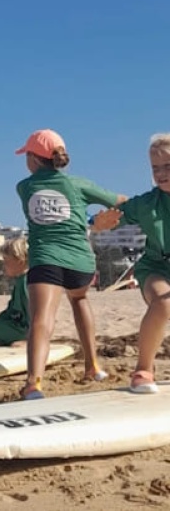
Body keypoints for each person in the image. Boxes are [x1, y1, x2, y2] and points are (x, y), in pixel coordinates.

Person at [14, 129, 127, 400]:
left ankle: (33, 384)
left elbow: (52, 210)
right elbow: (119, 201)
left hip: (47, 258)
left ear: (33, 159)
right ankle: (93, 366)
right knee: (79, 300)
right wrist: (101, 220)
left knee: (43, 318)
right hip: (81, 260)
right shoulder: (78, 184)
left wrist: (90, 219)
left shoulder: (24, 187)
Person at [92, 133, 170, 394]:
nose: (160, 174)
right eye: (155, 168)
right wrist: (98, 224)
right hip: (156, 268)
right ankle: (143, 370)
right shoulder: (148, 203)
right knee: (163, 302)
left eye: (167, 166)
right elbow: (111, 218)